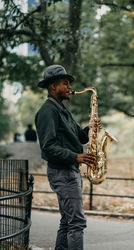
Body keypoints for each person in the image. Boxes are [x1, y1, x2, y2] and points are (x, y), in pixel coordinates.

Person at [35, 64, 101, 250]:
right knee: (76, 223)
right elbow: (48, 147)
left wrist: (91, 127)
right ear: (52, 86)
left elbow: (79, 136)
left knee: (67, 222)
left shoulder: (62, 109)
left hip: (69, 171)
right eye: (65, 83)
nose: (69, 87)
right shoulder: (48, 111)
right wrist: (76, 157)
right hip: (62, 172)